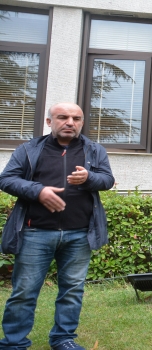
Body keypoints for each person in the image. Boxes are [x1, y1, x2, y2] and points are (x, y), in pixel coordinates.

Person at [0, 103, 115, 350]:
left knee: (72, 291)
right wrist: (38, 190)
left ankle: (63, 339)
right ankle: (14, 343)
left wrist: (89, 178)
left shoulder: (94, 150)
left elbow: (107, 180)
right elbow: (7, 179)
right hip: (35, 232)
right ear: (49, 122)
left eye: (76, 118)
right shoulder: (29, 149)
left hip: (79, 233)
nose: (70, 122)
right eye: (62, 117)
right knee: (24, 292)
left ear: (82, 123)